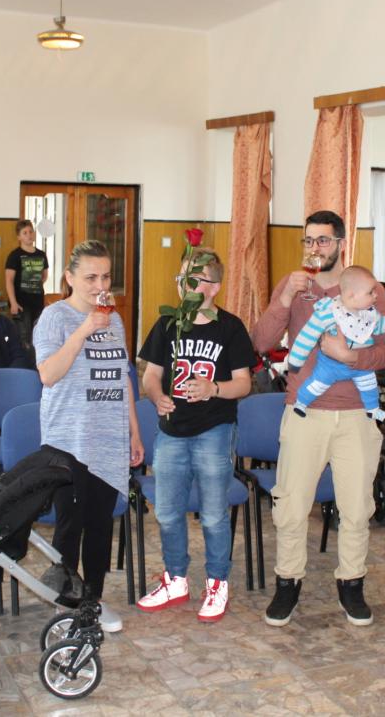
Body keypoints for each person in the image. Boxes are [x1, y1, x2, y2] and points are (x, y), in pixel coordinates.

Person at [251, 210, 385, 627]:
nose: (315, 249)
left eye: (323, 241)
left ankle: (351, 583)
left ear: (341, 244)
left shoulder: (369, 289)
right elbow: (259, 341)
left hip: (356, 414)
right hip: (305, 412)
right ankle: (288, 583)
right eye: (309, 240)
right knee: (291, 506)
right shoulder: (295, 286)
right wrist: (283, 300)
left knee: (357, 508)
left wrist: (351, 357)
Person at [136, 248, 254, 623]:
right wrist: (156, 395)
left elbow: (244, 383)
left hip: (214, 430)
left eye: (193, 280)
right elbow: (150, 375)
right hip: (172, 431)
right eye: (181, 278)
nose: (184, 286)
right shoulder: (167, 324)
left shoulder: (230, 328)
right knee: (168, 511)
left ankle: (217, 582)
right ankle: (176, 579)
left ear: (214, 287)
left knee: (214, 515)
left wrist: (212, 389)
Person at [34, 240, 143, 634]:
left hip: (108, 437)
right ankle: (66, 604)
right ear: (69, 278)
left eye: (106, 277)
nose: (100, 285)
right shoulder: (54, 317)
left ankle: (92, 601)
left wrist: (133, 431)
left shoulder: (114, 319)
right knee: (70, 525)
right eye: (91, 277)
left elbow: (123, 378)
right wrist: (83, 330)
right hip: (69, 439)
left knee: (100, 525)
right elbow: (48, 374)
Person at [286, 265, 385, 419]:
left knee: (370, 384)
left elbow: (379, 327)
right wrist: (295, 362)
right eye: (370, 292)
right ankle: (301, 402)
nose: (376, 295)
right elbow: (306, 336)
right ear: (351, 295)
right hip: (331, 365)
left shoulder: (368, 313)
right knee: (317, 384)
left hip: (358, 366)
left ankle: (373, 409)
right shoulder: (329, 312)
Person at [5, 220, 48, 350]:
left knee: (38, 335)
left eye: (30, 231)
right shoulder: (15, 255)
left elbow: (44, 276)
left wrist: (34, 284)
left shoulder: (41, 254)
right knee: (23, 338)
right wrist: (13, 303)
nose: (29, 235)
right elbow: (9, 280)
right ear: (19, 237)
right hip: (21, 303)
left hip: (37, 301)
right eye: (25, 233)